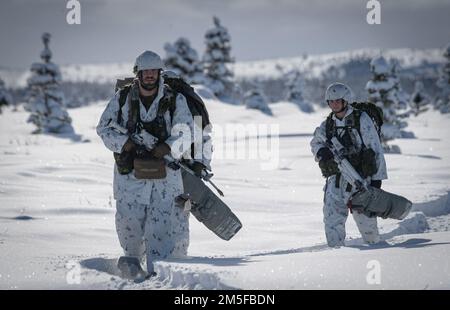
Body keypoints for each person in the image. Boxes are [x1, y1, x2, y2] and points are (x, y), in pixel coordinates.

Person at [96, 50, 203, 278]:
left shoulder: (174, 98)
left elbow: (188, 130)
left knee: (167, 232)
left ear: (159, 72)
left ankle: (164, 276)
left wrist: (168, 147)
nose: (150, 76)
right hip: (130, 180)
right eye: (146, 72)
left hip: (166, 180)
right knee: (129, 230)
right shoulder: (122, 99)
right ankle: (131, 274)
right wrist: (125, 143)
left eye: (154, 71)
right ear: (138, 73)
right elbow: (103, 128)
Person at [310, 82, 387, 247]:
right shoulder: (328, 124)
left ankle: (378, 251)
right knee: (332, 221)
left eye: (337, 100)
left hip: (361, 180)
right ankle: (336, 256)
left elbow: (376, 150)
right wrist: (321, 152)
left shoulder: (361, 119)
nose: (334, 104)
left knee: (367, 224)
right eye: (330, 101)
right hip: (336, 182)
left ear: (346, 100)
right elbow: (316, 141)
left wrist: (377, 180)